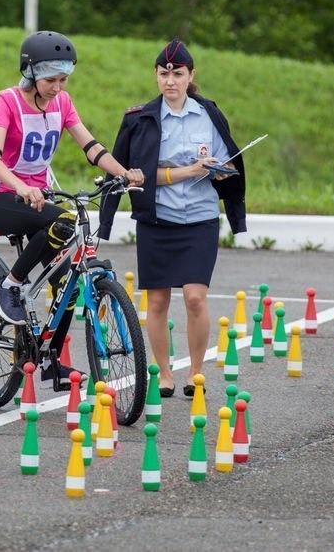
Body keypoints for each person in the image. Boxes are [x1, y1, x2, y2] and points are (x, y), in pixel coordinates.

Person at [99, 39, 246, 398]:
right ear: (156, 76)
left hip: (199, 219)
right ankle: (164, 373)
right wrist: (187, 170)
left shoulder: (209, 114)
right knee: (158, 301)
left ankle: (195, 372)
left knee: (195, 297)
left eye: (178, 74)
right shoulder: (139, 119)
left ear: (191, 75)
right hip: (157, 219)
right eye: (164, 74)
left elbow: (229, 160)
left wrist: (220, 172)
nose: (170, 81)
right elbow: (132, 173)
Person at [0, 30, 144, 344]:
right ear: (31, 72)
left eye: (63, 80)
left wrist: (124, 173)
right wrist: (20, 186)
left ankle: (52, 358)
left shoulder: (62, 103)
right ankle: (10, 286)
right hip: (0, 195)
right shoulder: (7, 101)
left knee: (68, 285)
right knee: (64, 221)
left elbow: (91, 147)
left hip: (39, 198)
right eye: (50, 80)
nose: (57, 87)